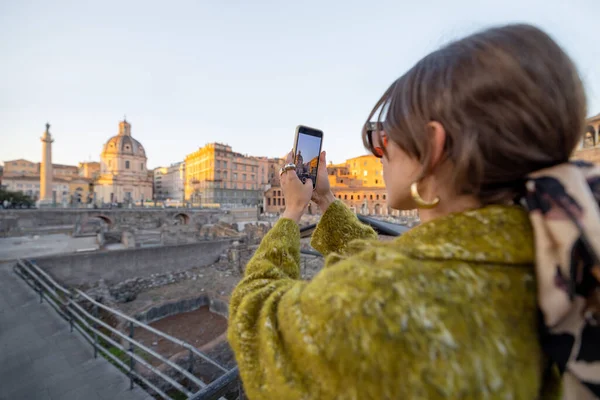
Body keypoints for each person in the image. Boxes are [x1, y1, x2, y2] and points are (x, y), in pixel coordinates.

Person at [227, 24, 600, 399]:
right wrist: (324, 201)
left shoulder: (382, 303)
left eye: (383, 137)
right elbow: (408, 257)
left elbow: (255, 320)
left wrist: (291, 212)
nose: (381, 152)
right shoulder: (539, 252)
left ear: (431, 148)